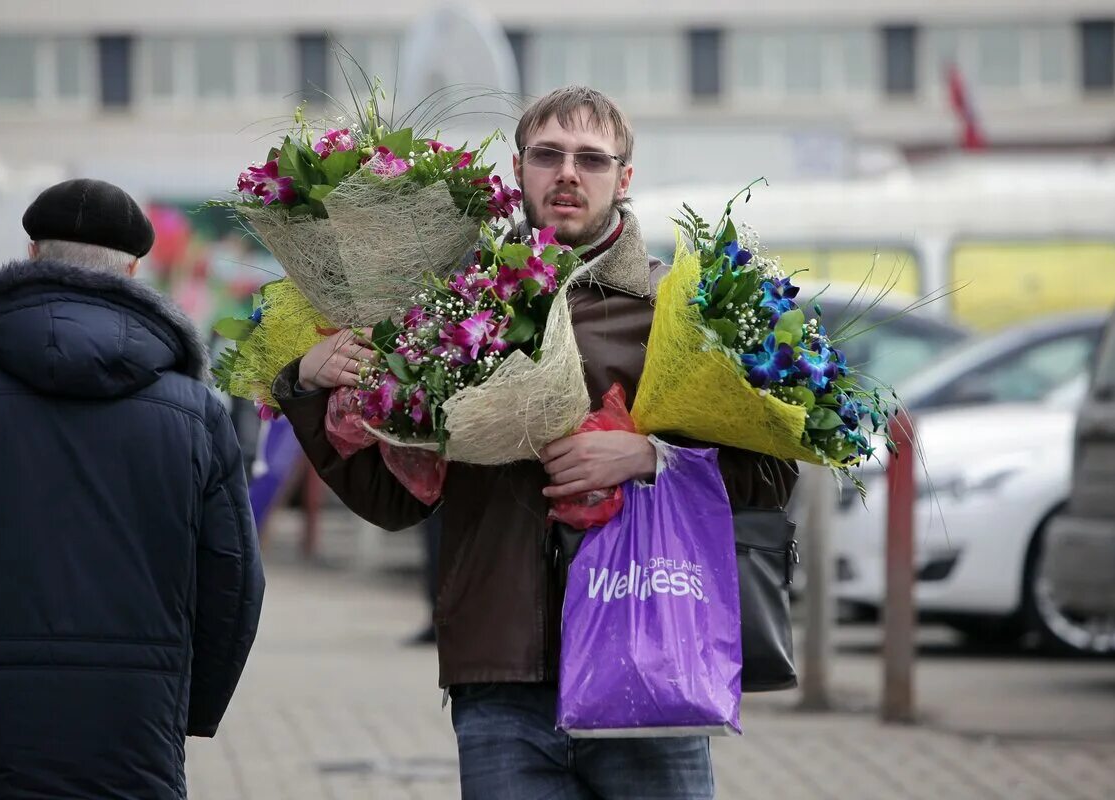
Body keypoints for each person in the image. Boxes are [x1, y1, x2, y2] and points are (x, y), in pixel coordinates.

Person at [272, 87, 796, 799]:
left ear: (625, 177)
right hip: (501, 673)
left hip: (648, 658)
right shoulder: (452, 310)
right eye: (548, 156)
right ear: (519, 168)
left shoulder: (676, 310)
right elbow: (395, 502)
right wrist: (305, 385)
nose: (568, 174)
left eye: (591, 158)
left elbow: (771, 475)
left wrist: (650, 458)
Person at [0, 179, 265, 799]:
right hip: (134, 736)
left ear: (32, 255)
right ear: (131, 270)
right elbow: (234, 583)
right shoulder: (196, 413)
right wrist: (185, 707)